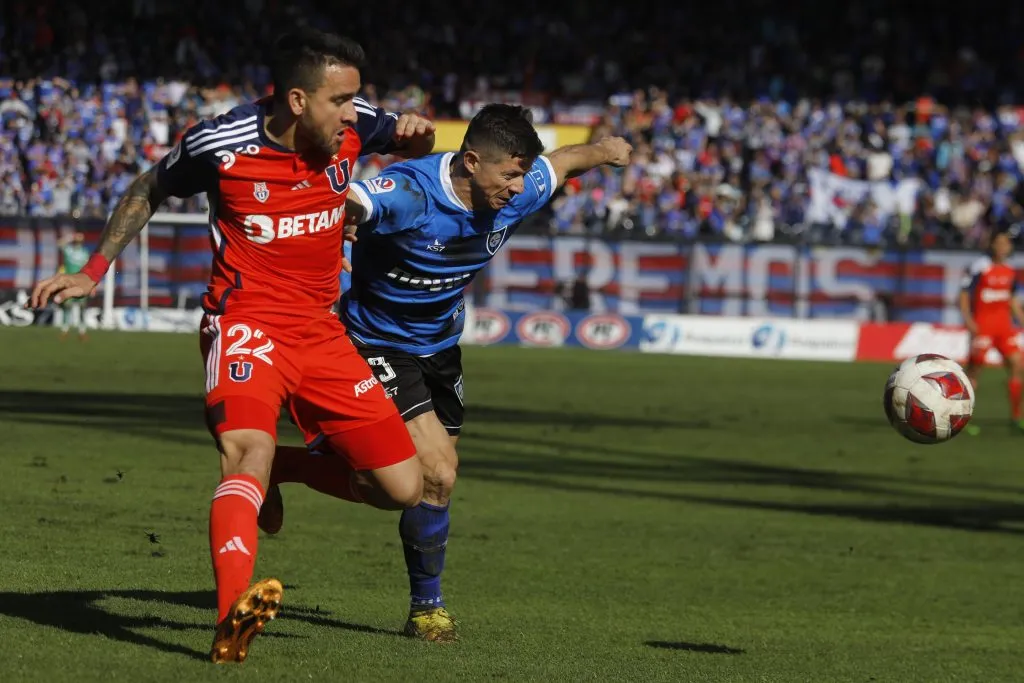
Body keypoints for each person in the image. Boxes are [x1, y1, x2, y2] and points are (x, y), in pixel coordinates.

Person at [29, 27, 437, 664]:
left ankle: (288, 468)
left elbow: (416, 138)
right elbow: (147, 187)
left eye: (358, 101)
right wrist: (92, 271)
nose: (354, 113)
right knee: (245, 455)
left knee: (402, 487)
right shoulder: (222, 142)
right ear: (298, 101)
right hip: (245, 324)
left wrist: (420, 132)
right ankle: (231, 623)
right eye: (342, 101)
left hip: (323, 332)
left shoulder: (357, 126)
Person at [261, 103, 632, 642]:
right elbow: (347, 204)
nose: (519, 186)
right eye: (509, 174)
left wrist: (608, 151)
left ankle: (286, 466)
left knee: (415, 483)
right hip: (376, 341)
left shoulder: (520, 185)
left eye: (523, 173)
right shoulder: (410, 192)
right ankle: (426, 610)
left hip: (441, 348)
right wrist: (333, 233)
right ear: (472, 161)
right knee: (437, 471)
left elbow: (567, 161)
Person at [959, 230, 1024, 435]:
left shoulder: (1010, 270)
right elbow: (963, 294)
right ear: (992, 245)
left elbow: (1011, 299)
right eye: (1000, 243)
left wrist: (1021, 317)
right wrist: (969, 320)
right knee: (974, 371)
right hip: (983, 326)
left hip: (1004, 328)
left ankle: (1016, 417)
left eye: (1007, 243)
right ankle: (962, 418)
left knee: (1016, 364)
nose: (1004, 247)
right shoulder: (979, 267)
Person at [56, 231, 90, 339]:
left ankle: (82, 331)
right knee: (67, 306)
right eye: (77, 239)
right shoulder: (69, 250)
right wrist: (70, 237)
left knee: (82, 307)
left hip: (81, 283)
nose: (78, 241)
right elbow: (59, 243)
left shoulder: (85, 253)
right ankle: (65, 330)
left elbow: (88, 270)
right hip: (69, 283)